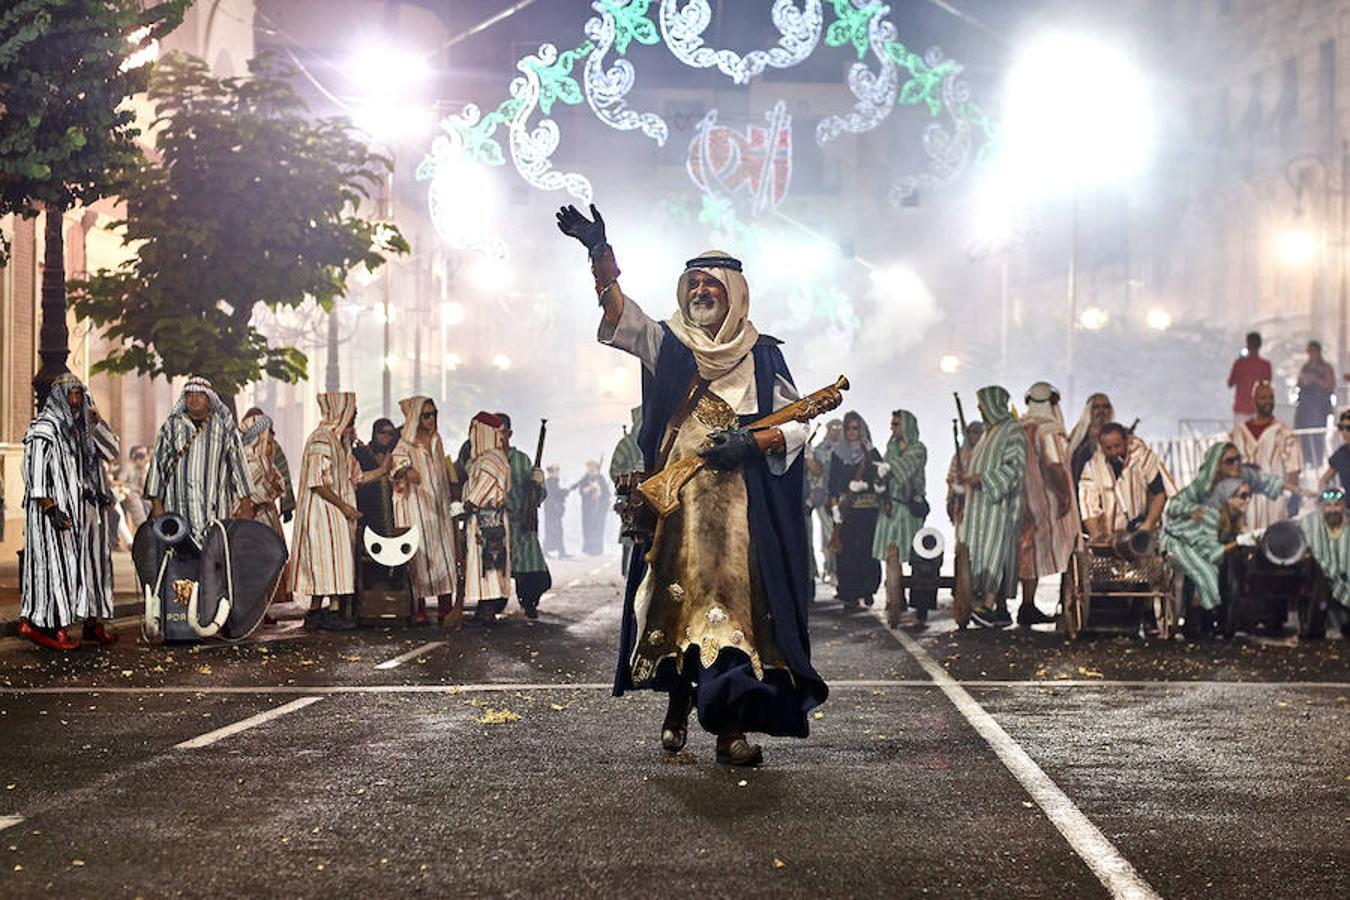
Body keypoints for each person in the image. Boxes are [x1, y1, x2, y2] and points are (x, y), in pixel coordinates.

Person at [558, 201, 827, 767]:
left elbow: (800, 424)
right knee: (676, 611)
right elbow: (621, 317)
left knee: (730, 616)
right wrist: (599, 255)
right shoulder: (670, 344)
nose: (701, 292)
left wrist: (753, 443)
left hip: (739, 519)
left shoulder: (762, 356)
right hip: (678, 509)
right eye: (694, 283)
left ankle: (728, 729)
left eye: (712, 284)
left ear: (734, 292)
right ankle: (677, 706)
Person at [1161, 442, 1283, 638]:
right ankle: (1198, 621)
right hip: (1187, 541)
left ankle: (1221, 617)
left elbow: (1266, 482)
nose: (1236, 465)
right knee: (1204, 572)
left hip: (1215, 538)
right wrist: (1192, 510)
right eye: (1229, 461)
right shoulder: (1203, 491)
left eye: (1238, 460)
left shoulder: (1238, 487)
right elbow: (1174, 506)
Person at [290, 392, 385, 630]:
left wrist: (384, 469)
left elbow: (358, 477)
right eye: (352, 413)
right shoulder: (321, 439)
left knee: (335, 561)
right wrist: (344, 506)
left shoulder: (340, 443)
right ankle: (321, 613)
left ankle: (327, 611)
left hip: (338, 512)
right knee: (324, 561)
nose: (354, 418)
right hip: (322, 512)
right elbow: (317, 481)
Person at [19, 374, 93, 651]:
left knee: (63, 569)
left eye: (78, 395)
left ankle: (54, 624)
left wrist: (85, 492)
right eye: (70, 395)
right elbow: (34, 471)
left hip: (66, 514)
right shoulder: (44, 428)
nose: (74, 401)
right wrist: (49, 507)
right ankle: (41, 625)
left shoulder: (68, 431)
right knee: (47, 568)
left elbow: (68, 472)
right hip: (47, 514)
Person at [144, 377, 254, 545]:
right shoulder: (172, 426)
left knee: (215, 565)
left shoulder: (224, 426)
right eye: (189, 395)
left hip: (215, 514)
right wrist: (157, 507)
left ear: (209, 398)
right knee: (179, 566)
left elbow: (238, 464)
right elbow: (157, 466)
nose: (194, 399)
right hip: (178, 514)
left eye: (200, 395)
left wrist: (246, 507)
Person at [959, 386, 1027, 629]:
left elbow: (1015, 468)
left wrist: (983, 480)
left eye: (982, 404)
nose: (979, 409)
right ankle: (986, 604)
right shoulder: (990, 433)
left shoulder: (1013, 431)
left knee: (996, 553)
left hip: (1000, 507)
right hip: (979, 507)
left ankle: (989, 604)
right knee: (980, 553)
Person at [1016, 382, 1079, 626]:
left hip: (1026, 500)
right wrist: (1063, 496)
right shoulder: (1049, 429)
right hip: (1051, 501)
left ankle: (1027, 604)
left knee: (1029, 553)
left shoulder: (1021, 426)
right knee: (1067, 551)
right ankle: (1068, 602)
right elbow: (1054, 464)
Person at [392, 396, 459, 625]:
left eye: (434, 414)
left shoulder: (437, 440)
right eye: (426, 415)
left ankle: (445, 606)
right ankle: (418, 608)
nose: (431, 419)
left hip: (439, 508)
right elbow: (397, 468)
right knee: (420, 558)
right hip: (416, 508)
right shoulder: (404, 444)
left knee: (445, 555)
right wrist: (406, 470)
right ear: (415, 418)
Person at [871, 409, 927, 628]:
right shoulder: (891, 447)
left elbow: (908, 467)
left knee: (915, 556)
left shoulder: (918, 449)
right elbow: (883, 473)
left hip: (909, 506)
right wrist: (881, 488)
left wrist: (889, 467)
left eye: (896, 424)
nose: (893, 428)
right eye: (892, 424)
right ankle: (896, 599)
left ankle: (919, 601)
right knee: (890, 554)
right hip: (891, 506)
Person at [1077, 422, 1175, 543]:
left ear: (1126, 441)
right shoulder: (1092, 467)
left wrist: (1147, 526)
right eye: (1108, 448)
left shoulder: (1143, 457)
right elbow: (1088, 504)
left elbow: (1159, 493)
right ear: (1102, 447)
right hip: (1112, 538)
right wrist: (1097, 535)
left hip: (1144, 534)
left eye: (1117, 446)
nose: (1114, 452)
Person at [827, 411, 883, 610]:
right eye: (848, 428)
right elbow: (832, 482)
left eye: (855, 428)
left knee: (867, 549)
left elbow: (881, 479)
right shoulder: (837, 454)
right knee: (847, 550)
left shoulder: (871, 452)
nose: (852, 432)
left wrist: (872, 484)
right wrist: (834, 508)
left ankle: (867, 589)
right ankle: (850, 593)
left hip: (868, 508)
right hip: (846, 509)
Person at [499, 413, 551, 619]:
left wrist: (538, 483)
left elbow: (536, 496)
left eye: (501, 431)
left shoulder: (521, 460)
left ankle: (530, 602)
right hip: (495, 525)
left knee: (532, 571)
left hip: (521, 522)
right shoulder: (483, 459)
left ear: (509, 433)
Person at [1230, 381, 1301, 529]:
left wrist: (1288, 499)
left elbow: (1294, 470)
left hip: (1274, 506)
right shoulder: (1237, 434)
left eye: (1271, 397)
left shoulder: (1285, 433)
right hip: (1245, 507)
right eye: (1263, 397)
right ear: (1254, 400)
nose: (1268, 401)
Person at [463, 411, 512, 623]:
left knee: (489, 565)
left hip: (488, 519)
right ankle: (484, 608)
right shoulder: (485, 457)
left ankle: (488, 610)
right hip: (484, 519)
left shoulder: (493, 458)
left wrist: (465, 505)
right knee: (485, 564)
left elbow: (480, 491)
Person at [1298, 487, 1350, 637]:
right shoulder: (1309, 525)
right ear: (1321, 507)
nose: (1333, 510)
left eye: (1337, 505)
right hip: (1324, 584)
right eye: (1328, 505)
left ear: (1344, 506)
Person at [806, 418, 843, 583]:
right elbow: (816, 471)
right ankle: (831, 570)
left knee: (835, 533)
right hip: (823, 497)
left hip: (841, 496)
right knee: (829, 534)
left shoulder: (845, 449)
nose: (835, 431)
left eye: (838, 429)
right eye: (832, 428)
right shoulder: (820, 449)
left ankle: (833, 569)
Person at [610, 406, 644, 575]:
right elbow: (614, 471)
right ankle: (628, 572)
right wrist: (628, 480)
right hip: (630, 497)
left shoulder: (659, 438)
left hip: (652, 494)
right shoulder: (626, 445)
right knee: (629, 535)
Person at [353, 418, 398, 534]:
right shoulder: (361, 453)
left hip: (389, 512)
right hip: (367, 512)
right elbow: (357, 479)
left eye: (390, 433)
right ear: (375, 433)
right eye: (382, 432)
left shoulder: (394, 455)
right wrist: (382, 471)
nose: (387, 436)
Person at [1295, 341, 1336, 469]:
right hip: (1305, 408)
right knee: (1304, 437)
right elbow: (1299, 383)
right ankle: (1306, 461)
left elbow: (1330, 385)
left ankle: (1317, 461)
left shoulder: (1325, 368)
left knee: (1317, 437)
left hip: (1319, 408)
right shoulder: (1305, 367)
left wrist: (1316, 380)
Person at [1227, 332, 1272, 430]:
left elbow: (1230, 383)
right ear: (1260, 345)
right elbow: (1267, 385)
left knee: (1240, 441)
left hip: (1240, 409)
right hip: (1259, 410)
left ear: (1247, 344)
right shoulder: (1265, 365)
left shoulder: (1239, 364)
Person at [1067, 392, 1114, 485]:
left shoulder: (1120, 435)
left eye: (1105, 407)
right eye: (1096, 407)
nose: (1101, 411)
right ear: (1089, 410)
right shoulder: (1077, 437)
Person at [946, 420, 983, 529]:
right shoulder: (959, 455)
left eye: (979, 433)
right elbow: (950, 479)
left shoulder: (986, 455)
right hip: (962, 504)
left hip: (980, 503)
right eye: (973, 432)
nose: (976, 436)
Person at [574, 460, 611, 556]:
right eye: (589, 467)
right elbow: (581, 491)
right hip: (587, 508)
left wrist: (599, 490)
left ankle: (597, 549)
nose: (590, 469)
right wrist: (590, 488)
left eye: (592, 467)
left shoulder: (600, 478)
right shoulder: (585, 478)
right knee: (587, 527)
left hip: (599, 508)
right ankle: (588, 548)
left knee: (598, 528)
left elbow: (606, 493)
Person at [542, 464, 570, 559]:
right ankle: (555, 551)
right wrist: (564, 492)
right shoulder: (551, 482)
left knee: (555, 531)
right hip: (552, 511)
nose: (558, 473)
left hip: (552, 511)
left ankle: (560, 552)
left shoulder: (551, 482)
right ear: (552, 472)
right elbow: (554, 495)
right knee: (554, 531)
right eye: (557, 471)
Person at [1319, 409, 1350, 491]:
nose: (1344, 432)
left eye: (1348, 428)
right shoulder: (1341, 454)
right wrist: (1328, 498)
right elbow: (1323, 480)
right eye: (1341, 428)